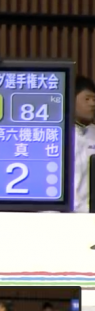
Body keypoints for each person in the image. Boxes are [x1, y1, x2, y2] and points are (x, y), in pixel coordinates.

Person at [73, 75, 95, 212]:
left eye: (94, 99)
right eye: (87, 99)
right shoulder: (58, 136)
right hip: (61, 215)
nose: (92, 104)